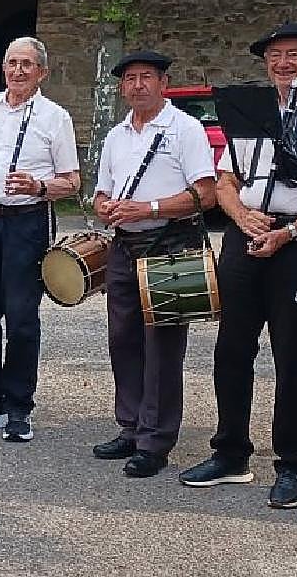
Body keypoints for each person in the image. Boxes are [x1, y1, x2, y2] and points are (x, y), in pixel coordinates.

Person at [178, 22, 297, 509]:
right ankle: (231, 453)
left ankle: (293, 463)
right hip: (248, 232)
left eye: (294, 54)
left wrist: (290, 232)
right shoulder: (246, 109)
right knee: (231, 349)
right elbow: (225, 180)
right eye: (276, 55)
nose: (283, 63)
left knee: (294, 355)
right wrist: (241, 219)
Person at [91, 52, 217, 477]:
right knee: (122, 338)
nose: (138, 85)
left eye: (146, 77)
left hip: (170, 243)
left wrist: (149, 208)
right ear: (122, 88)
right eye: (130, 79)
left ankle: (156, 439)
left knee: (162, 345)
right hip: (125, 244)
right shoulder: (115, 136)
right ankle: (130, 426)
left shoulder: (186, 129)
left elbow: (205, 194)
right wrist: (107, 207)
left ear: (164, 82)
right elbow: (99, 196)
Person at [0, 37, 81, 443]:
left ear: (41, 72)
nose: (18, 70)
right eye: (12, 63)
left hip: (25, 222)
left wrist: (39, 186)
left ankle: (19, 406)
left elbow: (73, 182)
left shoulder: (55, 117)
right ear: (3, 67)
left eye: (27, 64)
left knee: (22, 317)